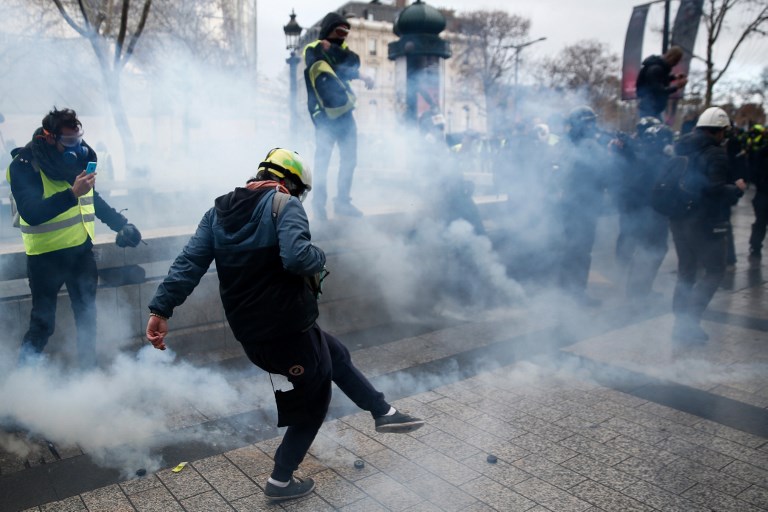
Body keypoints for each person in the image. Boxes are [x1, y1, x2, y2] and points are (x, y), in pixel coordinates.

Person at [145, 148, 424, 502]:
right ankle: (280, 482)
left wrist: (160, 308)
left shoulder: (216, 213)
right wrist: (319, 256)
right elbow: (297, 257)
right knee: (314, 401)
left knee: (334, 352)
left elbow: (188, 263)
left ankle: (383, 411)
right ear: (289, 182)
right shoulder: (284, 204)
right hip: (285, 332)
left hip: (254, 333)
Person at [6, 107, 142, 368]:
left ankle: (87, 380)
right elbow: (32, 213)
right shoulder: (25, 166)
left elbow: (93, 198)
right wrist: (71, 194)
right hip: (45, 259)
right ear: (49, 137)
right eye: (68, 142)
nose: (75, 147)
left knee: (87, 320)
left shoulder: (78, 162)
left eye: (77, 139)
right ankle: (23, 382)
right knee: (43, 325)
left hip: (81, 254)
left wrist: (121, 225)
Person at [669, 107, 745, 343]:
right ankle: (688, 325)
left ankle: (679, 322)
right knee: (714, 271)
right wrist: (736, 190)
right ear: (720, 131)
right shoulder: (715, 153)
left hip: (678, 217)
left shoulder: (681, 145)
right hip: (703, 220)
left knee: (686, 270)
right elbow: (713, 189)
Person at [303, 12, 373, 220]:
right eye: (338, 31)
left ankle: (343, 202)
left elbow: (353, 62)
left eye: (345, 32)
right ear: (328, 29)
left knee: (349, 159)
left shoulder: (344, 52)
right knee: (323, 161)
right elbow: (325, 63)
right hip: (324, 115)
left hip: (344, 114)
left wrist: (332, 49)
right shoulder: (312, 48)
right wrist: (351, 69)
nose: (343, 35)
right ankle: (319, 204)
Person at [556, 106, 614, 306]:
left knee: (570, 250)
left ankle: (565, 291)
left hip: (568, 206)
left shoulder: (566, 144)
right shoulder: (590, 146)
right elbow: (607, 174)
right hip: (584, 207)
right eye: (591, 122)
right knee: (581, 253)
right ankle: (577, 294)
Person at [615, 120, 674, 301]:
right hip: (653, 213)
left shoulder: (641, 157)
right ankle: (639, 294)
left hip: (642, 211)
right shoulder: (659, 161)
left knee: (646, 251)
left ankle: (639, 291)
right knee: (652, 252)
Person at [636, 46, 688, 120]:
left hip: (652, 108)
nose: (676, 64)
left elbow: (658, 81)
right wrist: (677, 87)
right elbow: (658, 90)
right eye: (676, 61)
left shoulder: (657, 67)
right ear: (672, 58)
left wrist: (674, 77)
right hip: (649, 108)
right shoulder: (656, 69)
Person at [746, 124, 767, 259]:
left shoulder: (762, 152)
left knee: (760, 222)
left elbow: (753, 173)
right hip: (763, 193)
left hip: (762, 193)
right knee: (760, 222)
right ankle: (755, 245)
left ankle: (755, 246)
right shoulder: (762, 152)